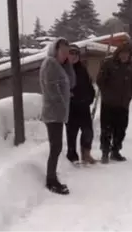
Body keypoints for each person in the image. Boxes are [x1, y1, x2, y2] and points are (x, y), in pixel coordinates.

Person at [39, 37, 75, 195]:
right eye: (63, 51)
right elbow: (52, 90)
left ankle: (52, 177)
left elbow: (69, 83)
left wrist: (68, 66)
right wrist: (63, 102)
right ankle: (51, 180)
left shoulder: (59, 65)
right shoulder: (50, 64)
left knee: (57, 146)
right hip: (53, 112)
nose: (65, 55)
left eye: (67, 52)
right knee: (56, 146)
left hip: (58, 112)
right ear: (55, 50)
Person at [96, 42, 132, 164]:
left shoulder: (131, 66)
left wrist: (131, 94)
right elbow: (100, 81)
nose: (124, 56)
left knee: (121, 129)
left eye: (127, 53)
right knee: (106, 129)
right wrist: (107, 94)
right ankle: (105, 152)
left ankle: (115, 151)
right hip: (108, 103)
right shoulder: (108, 63)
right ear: (118, 53)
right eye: (122, 53)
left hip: (123, 104)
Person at [65, 44, 97, 165]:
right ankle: (72, 156)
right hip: (71, 107)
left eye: (75, 54)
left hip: (84, 106)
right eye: (71, 53)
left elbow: (89, 85)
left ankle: (86, 154)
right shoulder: (64, 69)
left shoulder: (82, 68)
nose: (73, 56)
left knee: (88, 131)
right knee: (72, 133)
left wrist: (91, 97)